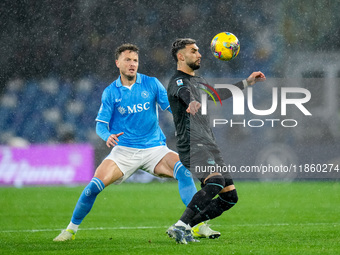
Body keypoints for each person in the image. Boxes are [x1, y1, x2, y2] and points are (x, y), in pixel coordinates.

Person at [53, 43, 218, 242]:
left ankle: (198, 225)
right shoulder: (111, 92)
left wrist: (187, 106)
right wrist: (108, 137)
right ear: (118, 63)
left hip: (154, 149)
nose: (132, 64)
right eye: (128, 60)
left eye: (135, 60)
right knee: (93, 187)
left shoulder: (151, 83)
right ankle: (70, 230)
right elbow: (101, 126)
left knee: (183, 171)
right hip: (124, 151)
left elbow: (170, 107)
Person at [166, 38, 266, 244]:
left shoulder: (199, 81)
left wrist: (247, 82)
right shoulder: (178, 81)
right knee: (215, 182)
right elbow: (184, 93)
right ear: (181, 56)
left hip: (209, 142)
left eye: (198, 50)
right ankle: (180, 226)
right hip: (192, 143)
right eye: (193, 51)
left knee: (229, 197)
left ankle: (187, 227)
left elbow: (217, 94)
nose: (199, 54)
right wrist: (191, 101)